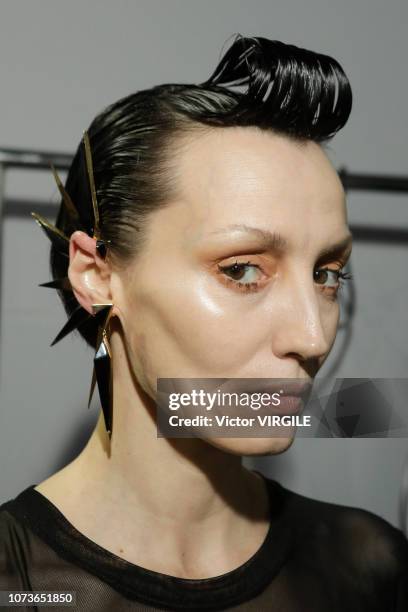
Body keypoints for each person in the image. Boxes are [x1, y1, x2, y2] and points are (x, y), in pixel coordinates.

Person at [1, 34, 407, 611]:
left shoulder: (369, 565)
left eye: (326, 274)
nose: (312, 337)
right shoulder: (15, 582)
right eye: (242, 270)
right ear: (97, 276)